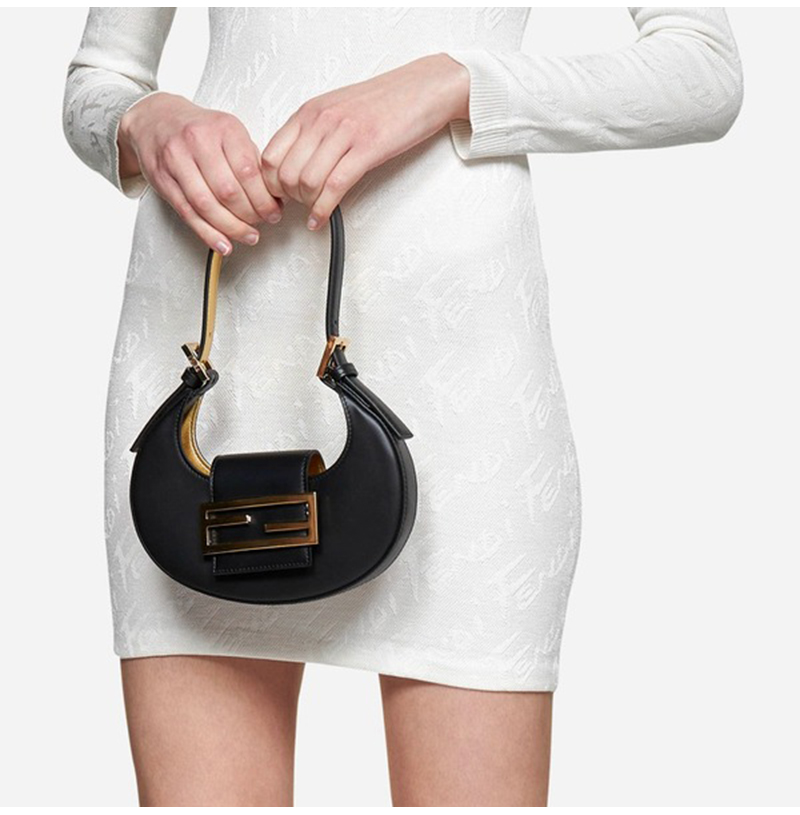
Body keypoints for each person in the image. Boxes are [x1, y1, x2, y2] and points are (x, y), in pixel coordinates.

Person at [62, 7, 743, 806]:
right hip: (209, 362)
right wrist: (146, 121)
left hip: (460, 376)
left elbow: (704, 72)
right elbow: (97, 82)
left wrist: (449, 83)